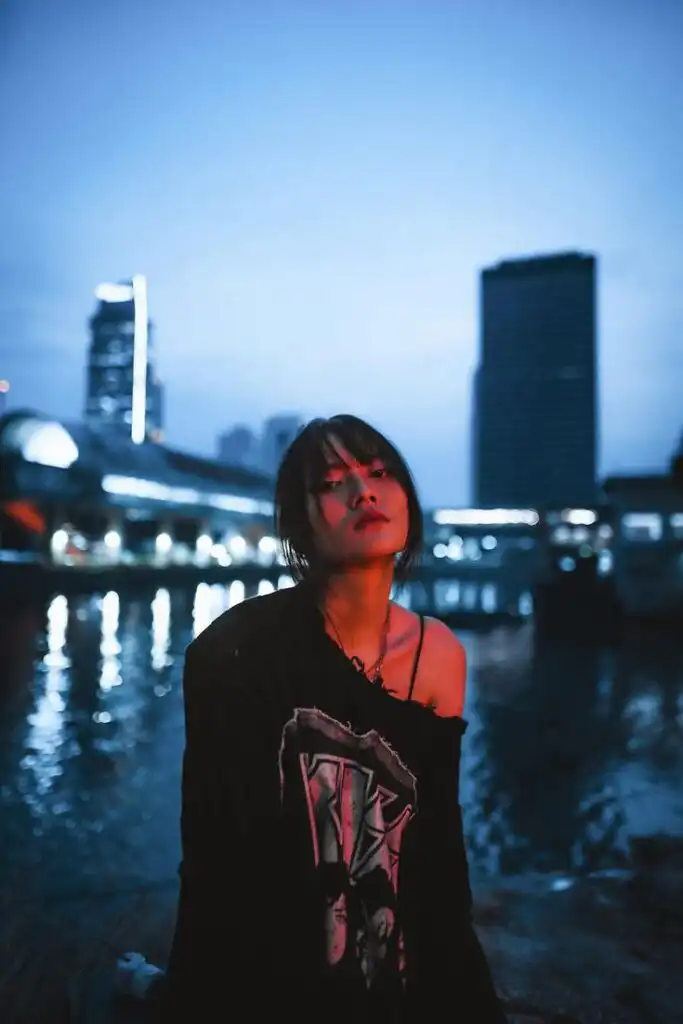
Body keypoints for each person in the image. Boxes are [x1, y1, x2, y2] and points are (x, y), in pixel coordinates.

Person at [159, 413, 506, 1023]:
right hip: (272, 987)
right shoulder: (236, 651)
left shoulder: (438, 654)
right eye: (332, 482)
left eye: (380, 472)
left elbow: (436, 855)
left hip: (394, 974)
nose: (364, 492)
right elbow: (218, 871)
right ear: (300, 521)